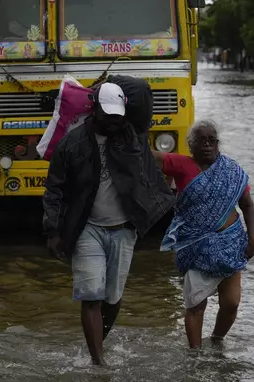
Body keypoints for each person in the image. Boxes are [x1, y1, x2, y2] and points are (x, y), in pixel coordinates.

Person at [42, 81, 175, 366]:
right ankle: (99, 364)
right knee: (91, 295)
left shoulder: (132, 134)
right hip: (87, 227)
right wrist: (53, 231)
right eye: (108, 117)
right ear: (94, 110)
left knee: (112, 300)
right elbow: (54, 190)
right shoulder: (72, 142)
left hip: (125, 227)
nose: (114, 123)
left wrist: (109, 80)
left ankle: (96, 347)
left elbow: (142, 90)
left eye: (118, 117)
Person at [152, 120, 254, 349]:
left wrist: (252, 238)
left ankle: (217, 340)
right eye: (200, 140)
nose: (207, 144)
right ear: (191, 146)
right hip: (197, 246)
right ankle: (195, 354)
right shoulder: (181, 164)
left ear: (218, 143)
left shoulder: (231, 171)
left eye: (211, 140)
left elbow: (247, 205)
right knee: (196, 305)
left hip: (231, 244)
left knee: (231, 302)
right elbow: (149, 156)